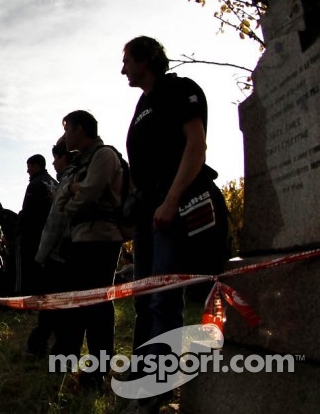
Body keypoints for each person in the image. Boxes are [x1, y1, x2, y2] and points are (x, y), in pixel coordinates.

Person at [121, 36, 228, 400]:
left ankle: (158, 386)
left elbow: (196, 146)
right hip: (148, 214)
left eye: (127, 61)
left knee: (164, 300)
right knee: (143, 297)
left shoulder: (179, 89)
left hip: (174, 208)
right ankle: (143, 372)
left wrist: (171, 200)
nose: (123, 70)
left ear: (145, 60)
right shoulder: (141, 104)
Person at [56, 110, 125, 390]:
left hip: (101, 239)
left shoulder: (104, 156)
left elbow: (87, 195)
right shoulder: (80, 163)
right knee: (76, 304)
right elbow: (62, 199)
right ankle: (68, 363)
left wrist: (74, 196)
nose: (64, 135)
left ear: (81, 129)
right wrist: (73, 193)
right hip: (79, 240)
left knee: (97, 305)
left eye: (67, 129)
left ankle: (97, 372)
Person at [28, 139, 75, 358]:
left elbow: (55, 221)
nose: (53, 163)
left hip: (57, 252)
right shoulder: (57, 182)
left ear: (64, 158)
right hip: (67, 250)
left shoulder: (66, 181)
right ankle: (48, 346)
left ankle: (49, 349)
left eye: (56, 158)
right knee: (57, 304)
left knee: (52, 304)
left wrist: (40, 256)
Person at [17, 154, 56, 295]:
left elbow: (27, 212)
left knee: (29, 268)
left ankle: (28, 300)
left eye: (29, 167)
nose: (28, 171)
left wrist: (20, 227)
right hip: (50, 233)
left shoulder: (35, 184)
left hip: (32, 233)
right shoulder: (54, 183)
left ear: (36, 166)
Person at [0, 200, 18, 294]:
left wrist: (8, 241)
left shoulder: (3, 215)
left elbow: (9, 229)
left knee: (11, 266)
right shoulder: (7, 213)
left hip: (15, 244)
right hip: (16, 242)